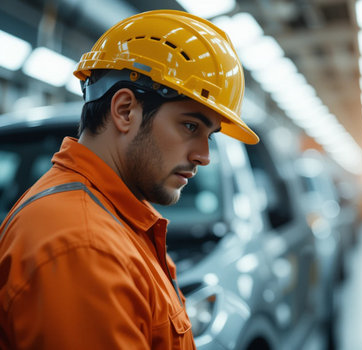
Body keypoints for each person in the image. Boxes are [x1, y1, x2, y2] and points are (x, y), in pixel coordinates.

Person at [0, 9, 259, 350]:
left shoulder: (118, 220)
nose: (203, 156)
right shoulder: (82, 246)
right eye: (190, 126)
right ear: (125, 110)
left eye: (208, 135)